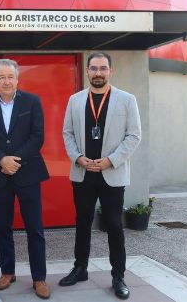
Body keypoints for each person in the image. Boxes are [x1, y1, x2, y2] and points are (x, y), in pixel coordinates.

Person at [61, 52, 141, 300]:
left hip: (112, 174)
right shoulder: (75, 100)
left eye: (103, 68)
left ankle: (118, 276)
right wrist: (77, 158)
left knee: (115, 226)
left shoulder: (127, 100)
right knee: (82, 222)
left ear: (111, 71)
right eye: (93, 68)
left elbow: (134, 136)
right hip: (83, 173)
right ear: (87, 71)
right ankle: (80, 268)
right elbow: (68, 133)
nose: (98, 73)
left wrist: (111, 160)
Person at [0, 59, 51, 299]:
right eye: (2, 77)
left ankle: (39, 278)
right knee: (2, 227)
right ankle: (7, 272)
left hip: (27, 173)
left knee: (35, 229)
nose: (6, 81)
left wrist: (14, 160)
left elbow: (37, 136)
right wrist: (1, 160)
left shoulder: (32, 101)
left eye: (10, 76)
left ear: (17, 79)